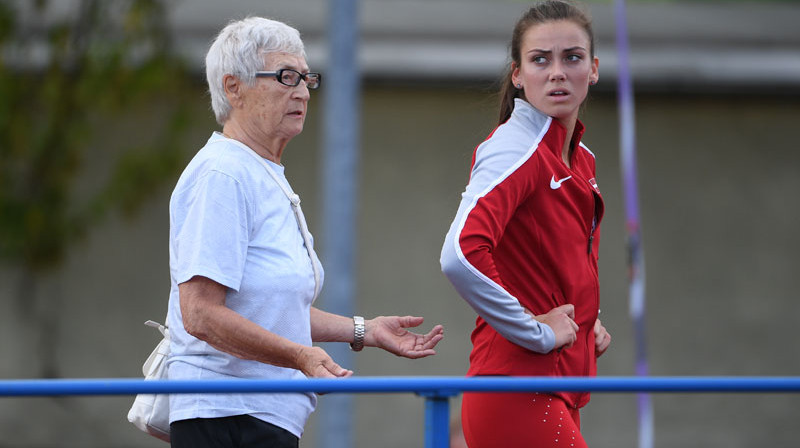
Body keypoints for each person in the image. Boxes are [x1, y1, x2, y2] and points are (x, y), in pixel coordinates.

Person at [165, 16, 444, 448]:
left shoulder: (258, 170)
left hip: (259, 413)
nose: (301, 91)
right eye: (284, 76)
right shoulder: (224, 172)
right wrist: (299, 355)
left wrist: (364, 331)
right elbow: (200, 313)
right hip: (227, 415)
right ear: (233, 88)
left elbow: (267, 307)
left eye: (305, 77)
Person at [440, 1, 610, 447]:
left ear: (593, 69)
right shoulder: (519, 146)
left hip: (558, 391)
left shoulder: (580, 157)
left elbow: (547, 259)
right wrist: (535, 332)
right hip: (517, 389)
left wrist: (587, 324)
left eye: (572, 57)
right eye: (541, 59)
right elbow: (460, 254)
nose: (557, 72)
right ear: (518, 75)